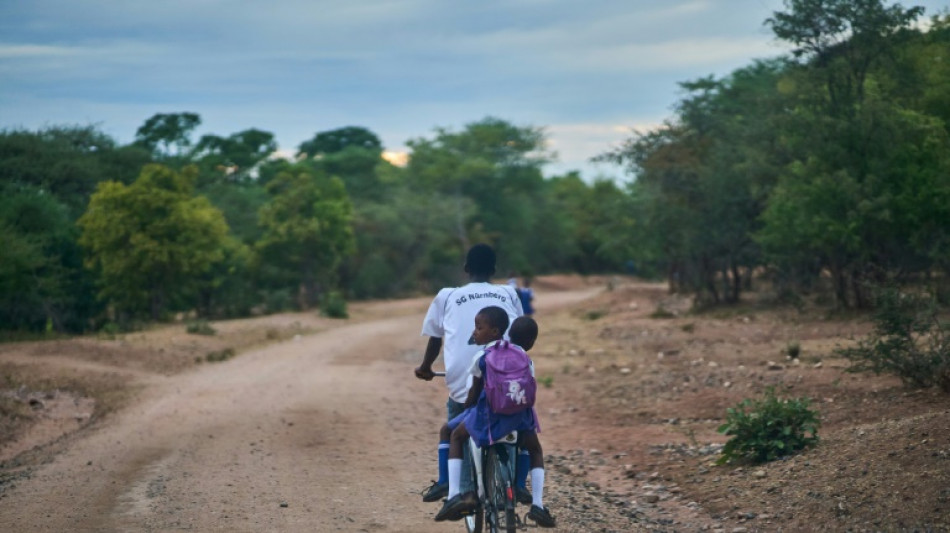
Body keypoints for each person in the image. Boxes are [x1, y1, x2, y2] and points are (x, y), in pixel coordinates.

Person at [415, 244, 523, 503]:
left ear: (466, 269)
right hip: (510, 382)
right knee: (516, 423)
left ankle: (461, 492)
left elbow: (435, 339)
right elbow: (519, 332)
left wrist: (426, 367)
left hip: (465, 383)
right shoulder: (508, 293)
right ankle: (516, 483)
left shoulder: (447, 296)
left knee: (459, 419)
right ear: (494, 270)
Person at [433, 310, 555, 527]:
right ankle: (537, 503)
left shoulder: (482, 357)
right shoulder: (526, 359)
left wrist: (468, 407)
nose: (475, 332)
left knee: (455, 436)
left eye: (478, 328)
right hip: (519, 418)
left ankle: (452, 494)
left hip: (488, 418)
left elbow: (474, 392)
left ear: (497, 332)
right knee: (534, 449)